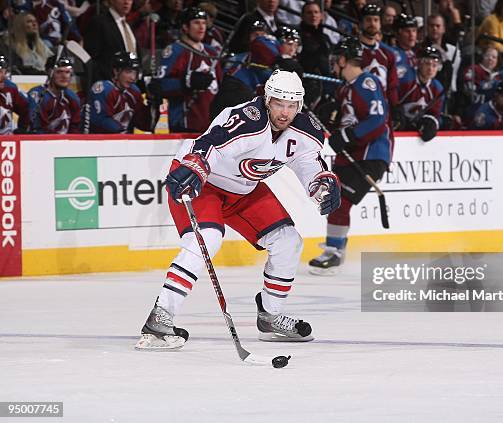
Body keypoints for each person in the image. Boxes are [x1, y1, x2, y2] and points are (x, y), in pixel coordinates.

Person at [135, 70, 341, 349]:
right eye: (279, 103)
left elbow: (308, 163)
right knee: (206, 239)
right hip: (202, 180)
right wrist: (194, 167)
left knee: (288, 241)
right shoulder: (249, 120)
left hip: (244, 190)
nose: (284, 112)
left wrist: (321, 184)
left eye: (292, 105)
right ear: (267, 100)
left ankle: (270, 316)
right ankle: (161, 317)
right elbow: (212, 145)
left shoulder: (306, 130)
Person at [308, 38, 390, 275]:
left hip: (370, 155)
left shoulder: (367, 82)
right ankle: (336, 251)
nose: (334, 64)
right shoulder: (347, 88)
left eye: (336, 60)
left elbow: (377, 119)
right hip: (352, 154)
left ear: (344, 59)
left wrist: (349, 135)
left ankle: (334, 253)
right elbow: (346, 122)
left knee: (341, 201)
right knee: (335, 200)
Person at [156, 7, 222, 133]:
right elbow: (159, 85)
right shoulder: (175, 50)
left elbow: (220, 85)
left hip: (212, 124)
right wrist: (187, 81)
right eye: (196, 23)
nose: (201, 27)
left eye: (203, 23)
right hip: (184, 124)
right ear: (185, 27)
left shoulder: (212, 52)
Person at [83, 52, 157, 133]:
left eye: (135, 72)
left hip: (122, 141)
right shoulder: (103, 89)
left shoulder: (134, 92)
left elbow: (144, 125)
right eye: (128, 71)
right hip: (99, 142)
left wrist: (151, 102)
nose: (133, 77)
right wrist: (123, 133)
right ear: (116, 71)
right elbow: (100, 120)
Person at [396, 46, 445, 141]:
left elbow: (435, 114)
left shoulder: (437, 88)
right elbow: (391, 100)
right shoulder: (406, 79)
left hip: (415, 129)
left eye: (434, 65)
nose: (430, 68)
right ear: (419, 63)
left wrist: (431, 122)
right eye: (427, 64)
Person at [84, 0, 139, 83]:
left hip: (131, 85)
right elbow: (92, 59)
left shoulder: (129, 25)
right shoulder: (99, 22)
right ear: (112, 1)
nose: (126, 2)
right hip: (109, 85)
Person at [358, 3, 399, 109]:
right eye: (368, 20)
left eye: (376, 20)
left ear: (380, 23)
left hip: (382, 111)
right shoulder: (351, 50)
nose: (372, 23)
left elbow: (392, 86)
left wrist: (394, 106)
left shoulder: (388, 54)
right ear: (361, 23)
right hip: (357, 110)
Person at [27, 56, 81, 134]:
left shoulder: (73, 98)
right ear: (50, 72)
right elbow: (37, 130)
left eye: (67, 72)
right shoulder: (38, 96)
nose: (64, 76)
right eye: (59, 72)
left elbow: (75, 129)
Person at [460, 46, 501, 123]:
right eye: (488, 55)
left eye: (494, 57)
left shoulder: (498, 76)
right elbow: (468, 89)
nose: (490, 59)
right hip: (473, 108)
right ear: (482, 56)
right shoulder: (474, 69)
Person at [0, 55, 29, 134]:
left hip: (7, 140)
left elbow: (28, 106)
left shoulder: (10, 88)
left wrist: (22, 129)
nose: (3, 76)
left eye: (4, 72)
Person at [391, 13, 419, 89]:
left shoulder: (417, 53)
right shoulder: (391, 54)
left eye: (414, 31)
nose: (412, 35)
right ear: (398, 33)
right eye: (407, 31)